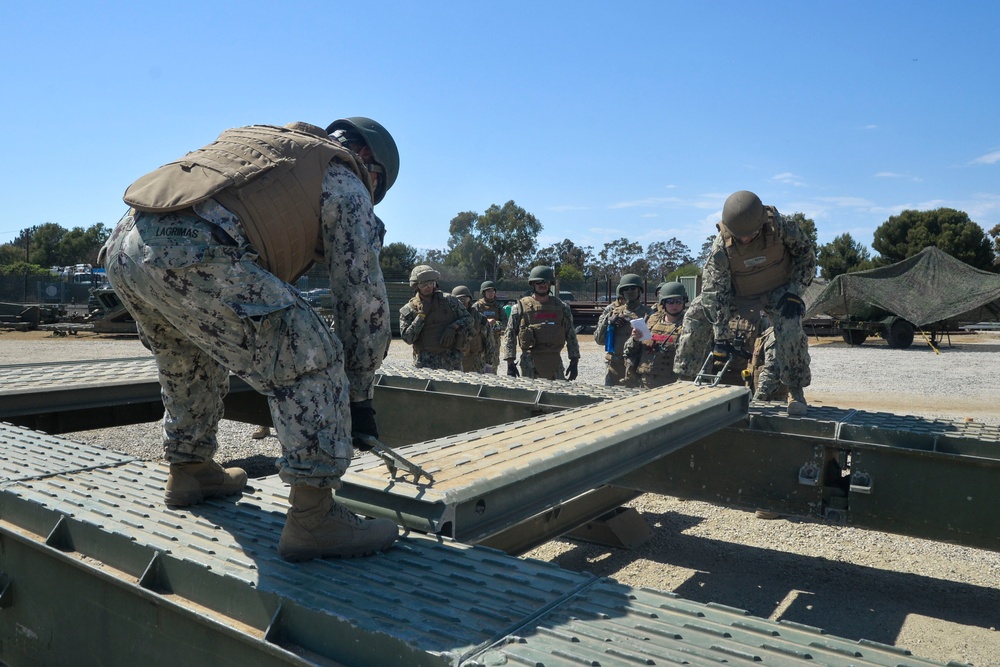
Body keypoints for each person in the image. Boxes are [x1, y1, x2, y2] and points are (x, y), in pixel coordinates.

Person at [101, 117, 401, 561]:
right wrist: (358, 395)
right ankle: (315, 518)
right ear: (372, 167)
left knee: (187, 357)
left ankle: (190, 468)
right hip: (198, 248)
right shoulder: (345, 177)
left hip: (126, 248)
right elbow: (362, 301)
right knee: (313, 354)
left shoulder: (274, 146)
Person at [673, 190, 815, 415]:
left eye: (751, 234)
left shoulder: (783, 227)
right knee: (695, 313)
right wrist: (720, 334)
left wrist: (795, 292)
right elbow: (713, 288)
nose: (745, 239)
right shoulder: (721, 245)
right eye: (740, 236)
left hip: (779, 291)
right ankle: (685, 379)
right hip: (738, 292)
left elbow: (806, 256)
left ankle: (794, 391)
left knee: (790, 322)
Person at [501, 266, 580, 380]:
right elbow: (510, 335)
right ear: (532, 284)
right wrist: (510, 362)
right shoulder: (519, 308)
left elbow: (571, 334)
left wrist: (574, 361)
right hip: (530, 364)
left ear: (550, 284)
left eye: (546, 282)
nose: (542, 285)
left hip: (555, 361)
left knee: (556, 396)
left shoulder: (562, 307)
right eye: (539, 282)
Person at [398, 265, 473, 370]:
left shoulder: (450, 301)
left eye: (431, 283)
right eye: (424, 284)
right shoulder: (409, 309)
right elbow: (408, 338)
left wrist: (453, 327)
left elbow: (469, 320)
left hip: (452, 361)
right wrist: (421, 316)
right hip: (425, 363)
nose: (428, 287)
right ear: (416, 285)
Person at [593, 274, 654, 386]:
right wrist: (609, 323)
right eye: (626, 289)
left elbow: (652, 343)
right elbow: (599, 340)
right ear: (622, 292)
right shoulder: (613, 313)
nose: (630, 291)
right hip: (615, 367)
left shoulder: (649, 314)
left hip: (638, 368)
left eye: (633, 288)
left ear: (639, 291)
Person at [623, 281, 687, 388]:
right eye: (670, 301)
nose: (674, 305)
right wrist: (635, 339)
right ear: (663, 303)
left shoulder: (689, 324)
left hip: (674, 383)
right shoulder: (651, 320)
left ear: (684, 302)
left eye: (678, 301)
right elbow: (628, 351)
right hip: (646, 381)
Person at [451, 285, 496, 373]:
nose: (462, 302)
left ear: (470, 300)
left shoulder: (479, 318)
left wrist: (489, 365)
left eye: (465, 299)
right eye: (459, 300)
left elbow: (489, 342)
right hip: (452, 361)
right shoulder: (449, 318)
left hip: (475, 362)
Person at [473, 280, 507, 374]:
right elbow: (472, 321)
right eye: (488, 291)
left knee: (493, 365)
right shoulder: (477, 306)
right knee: (479, 365)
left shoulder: (499, 307)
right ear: (483, 292)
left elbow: (505, 323)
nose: (491, 293)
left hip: (494, 341)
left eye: (493, 291)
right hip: (480, 340)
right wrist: (485, 323)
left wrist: (495, 325)